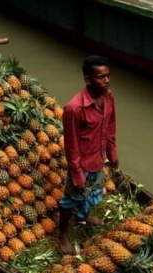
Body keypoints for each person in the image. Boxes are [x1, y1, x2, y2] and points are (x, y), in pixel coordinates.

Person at [57, 55, 119, 255]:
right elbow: (71, 145)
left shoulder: (109, 97)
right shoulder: (74, 108)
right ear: (88, 79)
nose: (107, 81)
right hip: (81, 164)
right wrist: (77, 174)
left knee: (94, 194)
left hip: (98, 160)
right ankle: (63, 234)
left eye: (108, 76)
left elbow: (110, 127)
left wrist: (112, 152)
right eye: (101, 77)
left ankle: (83, 216)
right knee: (71, 199)